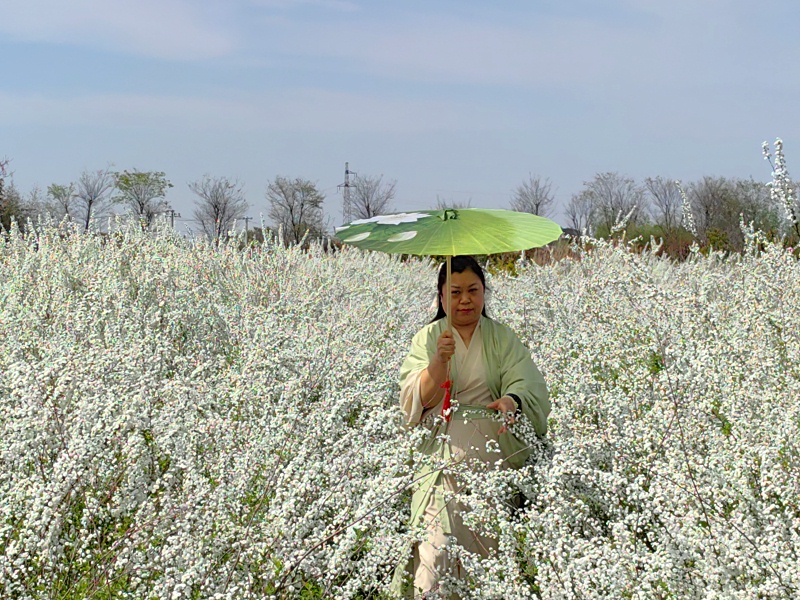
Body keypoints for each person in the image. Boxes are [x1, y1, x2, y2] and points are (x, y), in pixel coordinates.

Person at [394, 255, 550, 598]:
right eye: (455, 292)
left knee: (488, 555)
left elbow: (528, 383)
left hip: (494, 463)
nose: (465, 300)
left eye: (473, 291)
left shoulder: (501, 337)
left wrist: (511, 400)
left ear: (484, 293)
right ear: (441, 297)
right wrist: (438, 361)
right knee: (436, 554)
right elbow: (412, 400)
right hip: (441, 465)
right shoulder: (428, 337)